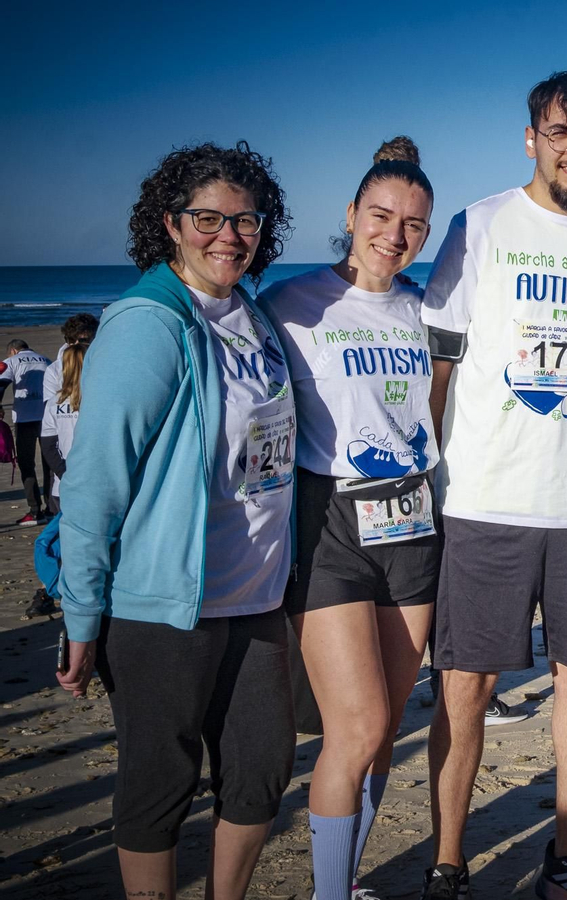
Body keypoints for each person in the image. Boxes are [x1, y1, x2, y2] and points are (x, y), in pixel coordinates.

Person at [419, 71, 567, 900]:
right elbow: (439, 364)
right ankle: (447, 861)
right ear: (531, 138)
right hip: (486, 496)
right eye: (562, 131)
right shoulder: (480, 224)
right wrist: (434, 474)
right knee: (467, 685)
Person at [55, 140, 297, 900]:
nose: (228, 235)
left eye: (246, 220)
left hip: (256, 598)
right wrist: (81, 612)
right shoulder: (148, 325)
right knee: (160, 782)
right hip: (165, 603)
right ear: (170, 224)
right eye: (208, 219)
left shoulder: (252, 319)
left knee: (259, 772)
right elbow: (95, 483)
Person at [259, 137, 439, 900]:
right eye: (381, 216)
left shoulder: (425, 309)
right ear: (350, 215)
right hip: (330, 519)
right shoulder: (289, 306)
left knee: (386, 730)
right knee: (355, 727)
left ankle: (348, 878)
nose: (394, 236)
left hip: (415, 523)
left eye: (413, 225)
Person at [29, 314, 98, 618]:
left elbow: (48, 445)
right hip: (79, 484)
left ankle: (64, 594)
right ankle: (64, 593)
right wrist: (71, 477)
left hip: (70, 482)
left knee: (70, 542)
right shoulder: (81, 389)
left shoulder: (62, 399)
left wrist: (66, 476)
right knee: (77, 543)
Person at [0, 339, 53, 524]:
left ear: (13, 351)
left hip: (25, 417)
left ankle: (35, 511)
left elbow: (1, 383)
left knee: (26, 463)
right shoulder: (45, 360)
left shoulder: (12, 362)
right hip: (47, 417)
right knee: (49, 464)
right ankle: (51, 509)